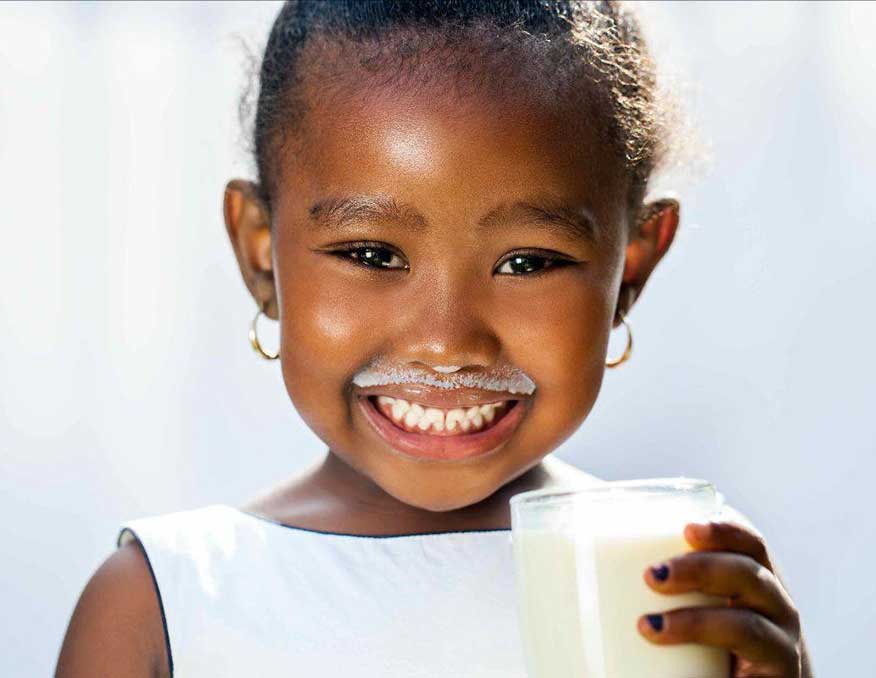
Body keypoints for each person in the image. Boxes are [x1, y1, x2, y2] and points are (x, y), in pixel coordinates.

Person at [55, 2, 813, 676]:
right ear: (261, 254)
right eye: (371, 255)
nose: (447, 343)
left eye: (528, 262)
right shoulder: (162, 603)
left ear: (630, 271)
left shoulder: (682, 578)